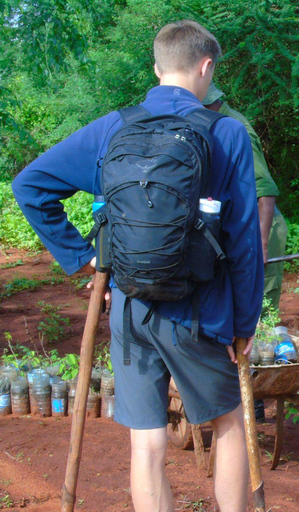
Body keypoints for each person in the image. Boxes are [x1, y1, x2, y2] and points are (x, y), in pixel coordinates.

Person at [12, 21, 262, 512]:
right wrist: (244, 323)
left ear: (156, 67)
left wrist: (83, 258)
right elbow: (243, 240)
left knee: (146, 445)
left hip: (128, 308)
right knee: (227, 423)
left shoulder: (114, 126)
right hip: (199, 310)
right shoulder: (227, 133)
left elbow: (30, 185)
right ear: (206, 67)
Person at [202, 82, 288, 422]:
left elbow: (265, 192)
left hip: (261, 230)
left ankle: (254, 401)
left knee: (256, 313)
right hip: (235, 229)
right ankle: (232, 395)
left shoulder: (234, 128)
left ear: (213, 103)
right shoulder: (210, 124)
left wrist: (261, 244)